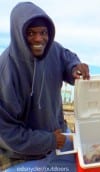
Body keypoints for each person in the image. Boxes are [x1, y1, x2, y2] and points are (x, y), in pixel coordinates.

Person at [0, 2, 90, 171]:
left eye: (43, 32)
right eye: (31, 33)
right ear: (18, 34)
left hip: (58, 137)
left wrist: (74, 68)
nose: (39, 39)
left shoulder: (53, 50)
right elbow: (7, 133)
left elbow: (67, 58)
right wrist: (49, 140)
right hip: (18, 155)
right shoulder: (5, 71)